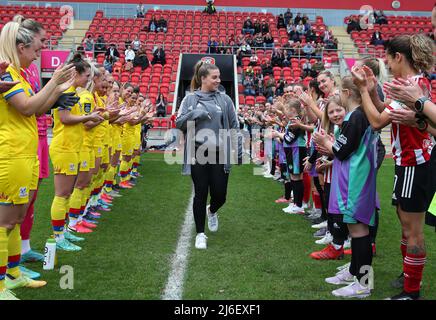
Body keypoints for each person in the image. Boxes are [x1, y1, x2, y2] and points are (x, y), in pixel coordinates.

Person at [351, 34, 434, 300]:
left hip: (415, 164)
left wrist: (363, 89)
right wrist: (372, 89)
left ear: (398, 57)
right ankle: (408, 277)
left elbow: (376, 122)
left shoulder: (413, 85)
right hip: (406, 164)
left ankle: (412, 292)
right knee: (404, 223)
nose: (387, 64)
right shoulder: (409, 84)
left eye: (388, 58)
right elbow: (383, 111)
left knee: (413, 230)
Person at [0, 16, 77, 300]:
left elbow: (35, 109)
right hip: (10, 154)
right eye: (35, 49)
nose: (37, 55)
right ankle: (1, 286)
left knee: (16, 219)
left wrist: (55, 91)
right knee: (5, 222)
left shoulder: (17, 73)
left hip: (25, 153)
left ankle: (13, 274)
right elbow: (27, 107)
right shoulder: (6, 74)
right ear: (20, 47)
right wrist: (54, 82)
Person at [313, 76, 378, 298]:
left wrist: (325, 142)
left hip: (356, 181)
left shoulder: (357, 117)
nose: (337, 95)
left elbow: (342, 150)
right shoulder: (355, 116)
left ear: (348, 93)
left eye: (340, 91)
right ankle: (355, 273)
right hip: (354, 179)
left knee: (359, 233)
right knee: (357, 231)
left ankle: (363, 284)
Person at [176, 61, 242, 250]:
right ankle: (200, 234)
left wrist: (237, 152)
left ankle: (212, 211)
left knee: (220, 195)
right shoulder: (189, 99)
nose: (218, 80)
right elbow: (179, 123)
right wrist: (195, 113)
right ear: (203, 78)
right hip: (198, 152)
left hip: (220, 152)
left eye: (219, 77)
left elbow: (234, 126)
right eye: (214, 77)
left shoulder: (225, 99)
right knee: (200, 193)